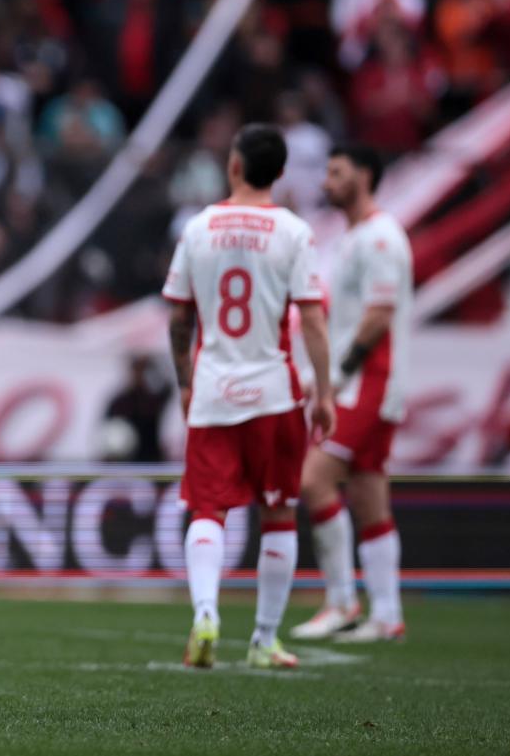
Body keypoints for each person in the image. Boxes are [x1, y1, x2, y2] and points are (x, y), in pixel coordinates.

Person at [162, 123, 335, 670]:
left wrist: (187, 379)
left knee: (208, 509)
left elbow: (178, 317)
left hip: (214, 389)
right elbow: (312, 319)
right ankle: (264, 639)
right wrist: (325, 392)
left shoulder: (199, 227)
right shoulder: (293, 231)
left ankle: (206, 613)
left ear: (234, 166)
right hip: (275, 393)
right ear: (280, 174)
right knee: (278, 513)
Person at [290, 144, 412, 643]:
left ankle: (342, 601)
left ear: (365, 175)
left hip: (366, 383)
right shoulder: (357, 237)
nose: (326, 182)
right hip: (368, 383)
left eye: (336, 172)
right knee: (368, 498)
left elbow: (379, 316)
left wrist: (334, 378)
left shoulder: (380, 237)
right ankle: (386, 615)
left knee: (312, 481)